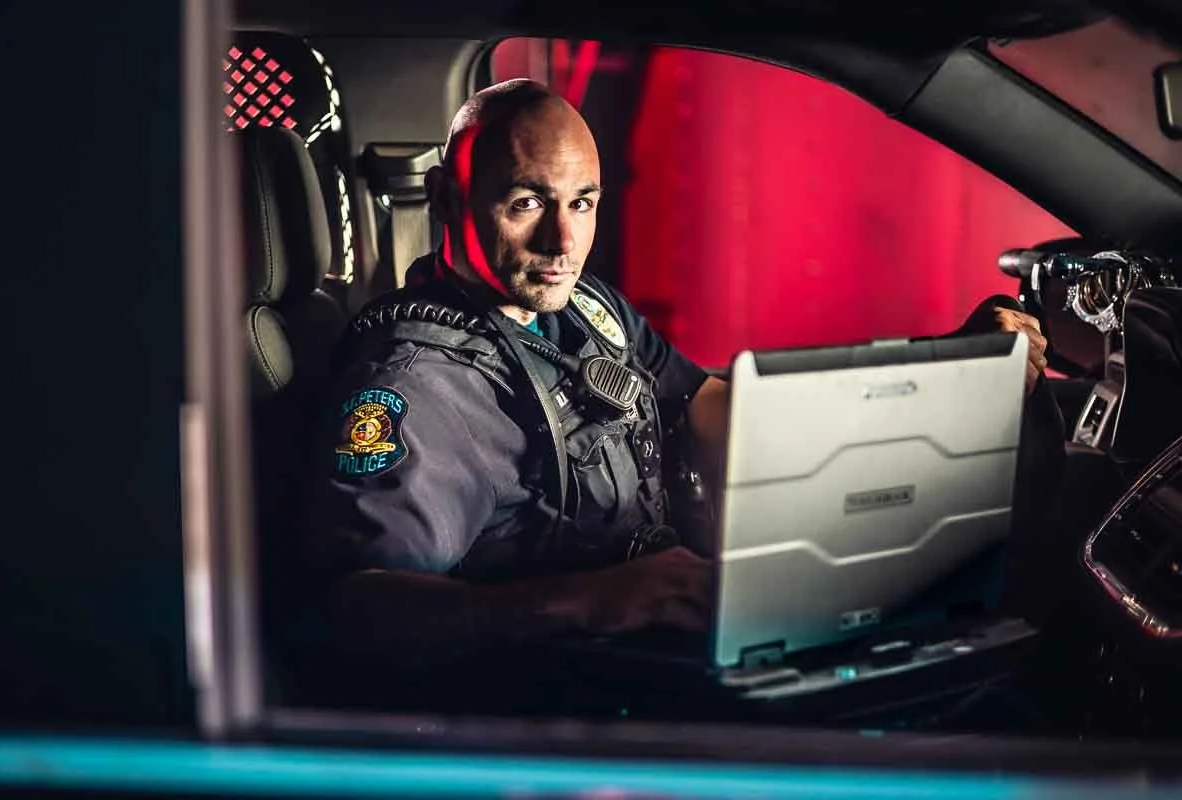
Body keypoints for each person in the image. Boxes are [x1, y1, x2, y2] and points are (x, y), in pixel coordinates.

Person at [305, 79, 1057, 662]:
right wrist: (600, 600)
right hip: (571, 701)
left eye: (583, 203)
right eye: (527, 202)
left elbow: (722, 412)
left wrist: (947, 374)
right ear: (447, 198)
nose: (562, 242)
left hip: (676, 638)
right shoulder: (418, 386)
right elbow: (357, 607)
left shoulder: (583, 310)